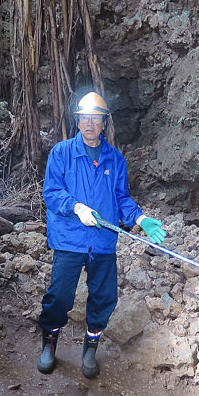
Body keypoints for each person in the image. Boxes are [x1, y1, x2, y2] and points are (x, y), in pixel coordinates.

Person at [39, 91, 167, 379]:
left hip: (103, 241)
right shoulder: (62, 153)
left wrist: (141, 218)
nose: (89, 124)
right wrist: (76, 207)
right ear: (77, 121)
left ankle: (90, 349)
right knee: (59, 296)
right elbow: (52, 192)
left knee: (104, 297)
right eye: (84, 118)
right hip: (70, 239)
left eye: (95, 119)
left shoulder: (115, 158)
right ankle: (49, 344)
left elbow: (121, 198)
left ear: (104, 123)